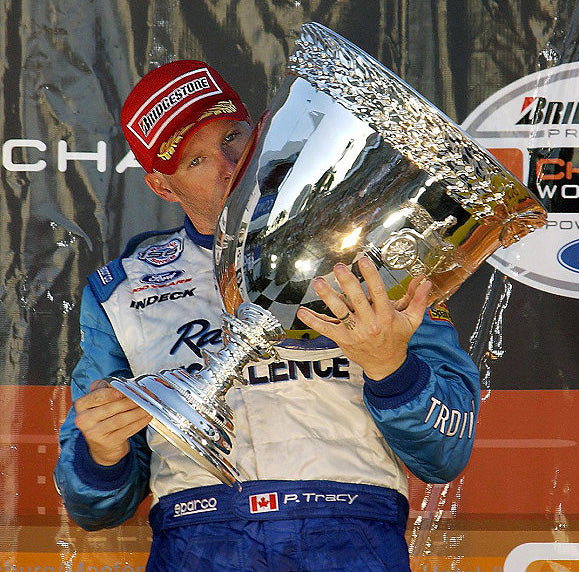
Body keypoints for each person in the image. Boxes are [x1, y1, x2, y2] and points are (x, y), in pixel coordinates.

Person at [54, 60, 481, 572]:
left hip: (349, 534)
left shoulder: (374, 248)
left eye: (232, 137)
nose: (228, 164)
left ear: (261, 132)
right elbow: (95, 508)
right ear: (164, 187)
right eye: (196, 160)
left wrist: (392, 369)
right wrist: (102, 454)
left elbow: (446, 452)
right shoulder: (121, 291)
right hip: (200, 540)